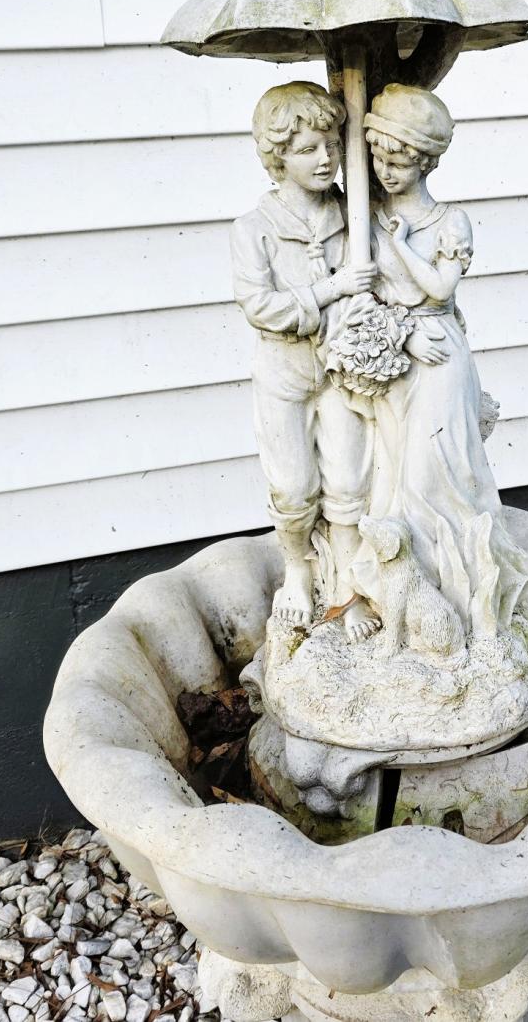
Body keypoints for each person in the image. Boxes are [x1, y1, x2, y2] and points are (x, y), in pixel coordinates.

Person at [357, 83, 528, 638]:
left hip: (440, 356)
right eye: (379, 159)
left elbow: (439, 289)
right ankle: (405, 599)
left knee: (439, 474)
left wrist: (401, 243)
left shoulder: (449, 222)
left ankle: (464, 594)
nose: (386, 172)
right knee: (392, 476)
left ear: (425, 162)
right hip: (397, 355)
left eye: (398, 162)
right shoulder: (364, 217)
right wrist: (399, 335)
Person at [230, 81, 381, 641]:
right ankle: (297, 571)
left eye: (331, 145)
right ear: (277, 157)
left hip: (341, 370)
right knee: (293, 488)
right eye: (306, 149)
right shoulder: (255, 230)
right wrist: (331, 289)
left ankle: (346, 590)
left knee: (348, 483)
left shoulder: (353, 215)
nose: (324, 159)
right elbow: (261, 307)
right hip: (285, 373)